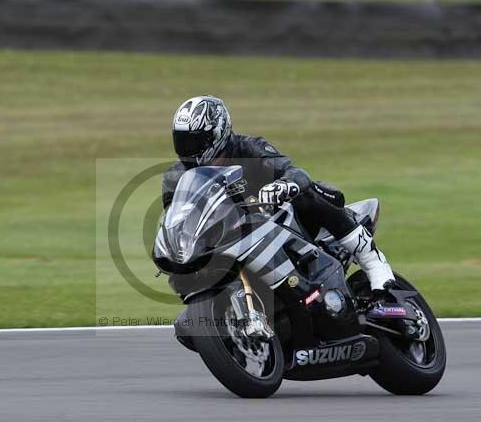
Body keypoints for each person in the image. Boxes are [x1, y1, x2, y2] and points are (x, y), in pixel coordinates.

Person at [162, 95, 395, 292]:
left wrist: (283, 186)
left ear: (218, 132)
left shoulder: (249, 148)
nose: (188, 150)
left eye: (195, 141)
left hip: (276, 221)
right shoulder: (175, 177)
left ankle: (372, 260)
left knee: (306, 193)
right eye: (182, 141)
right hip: (229, 237)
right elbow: (176, 219)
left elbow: (295, 173)